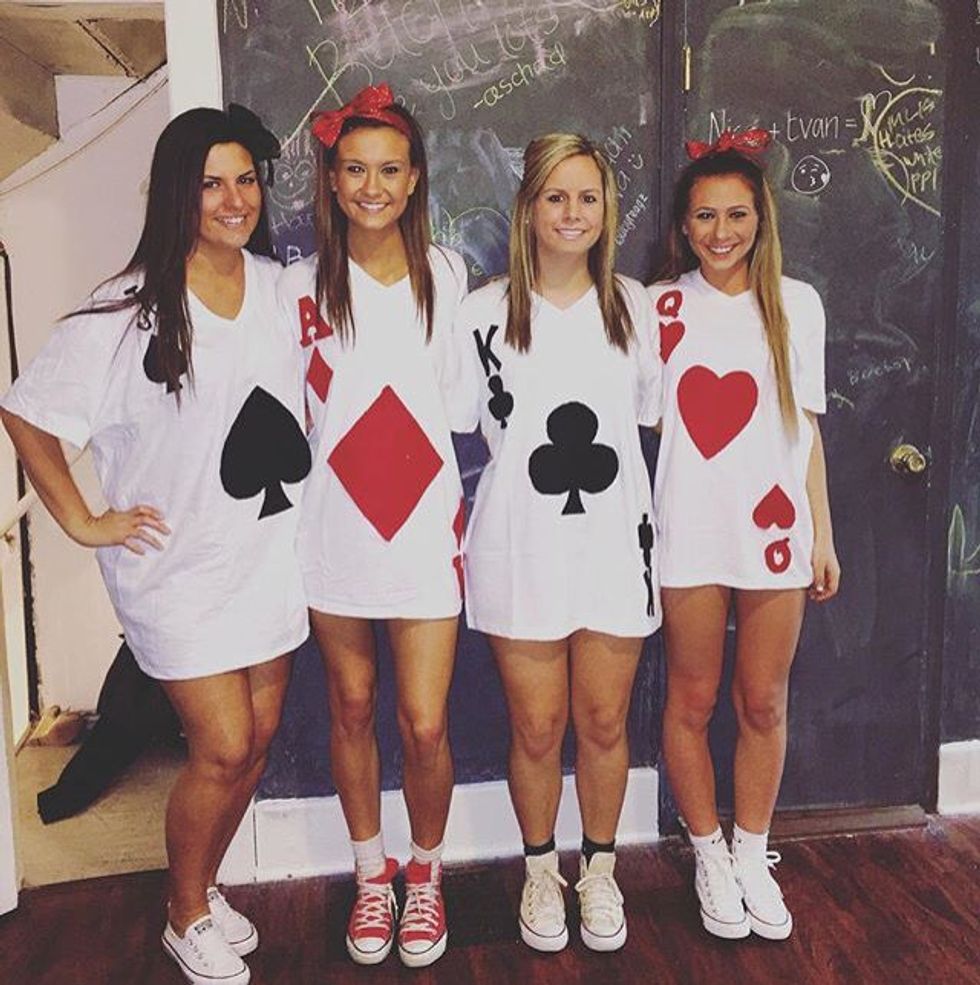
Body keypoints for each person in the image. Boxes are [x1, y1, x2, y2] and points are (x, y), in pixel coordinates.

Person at [0, 105, 309, 985]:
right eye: (211, 183)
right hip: (175, 572)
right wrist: (82, 518)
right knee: (222, 746)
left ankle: (203, 889)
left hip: (266, 556)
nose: (234, 199)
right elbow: (26, 413)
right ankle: (183, 914)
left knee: (257, 742)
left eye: (245, 179)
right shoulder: (126, 309)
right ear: (177, 192)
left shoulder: (280, 289)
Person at [450, 133, 661, 954]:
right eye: (556, 197)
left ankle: (598, 869)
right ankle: (541, 868)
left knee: (604, 719)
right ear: (528, 207)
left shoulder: (634, 307)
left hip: (614, 543)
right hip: (520, 545)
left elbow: (645, 420)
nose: (572, 213)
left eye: (588, 197)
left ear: (607, 209)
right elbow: (461, 424)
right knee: (536, 726)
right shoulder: (481, 314)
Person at [276, 84, 467, 969]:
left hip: (425, 526)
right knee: (350, 705)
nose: (372, 187)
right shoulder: (295, 287)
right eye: (354, 169)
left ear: (415, 177)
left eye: (389, 169)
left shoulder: (449, 275)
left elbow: (459, 404)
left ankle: (425, 872)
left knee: (423, 721)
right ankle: (370, 872)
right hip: (333, 527)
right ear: (331, 177)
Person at [648, 129, 840, 941]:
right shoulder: (658, 306)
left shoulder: (797, 303)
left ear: (761, 218)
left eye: (737, 214)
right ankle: (708, 852)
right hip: (690, 527)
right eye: (705, 215)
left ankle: (753, 849)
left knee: (762, 699)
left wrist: (822, 534)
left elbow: (806, 429)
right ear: (683, 225)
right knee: (690, 698)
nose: (721, 232)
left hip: (774, 532)